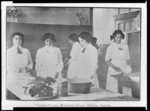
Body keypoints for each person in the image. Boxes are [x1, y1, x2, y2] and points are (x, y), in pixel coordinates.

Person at [7, 32, 33, 99]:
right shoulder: (8, 51)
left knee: (24, 95)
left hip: (24, 76)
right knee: (14, 95)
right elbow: (5, 65)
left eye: (20, 39)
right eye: (16, 39)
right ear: (12, 40)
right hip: (13, 77)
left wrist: (27, 68)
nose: (18, 41)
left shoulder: (26, 51)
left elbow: (31, 63)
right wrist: (14, 69)